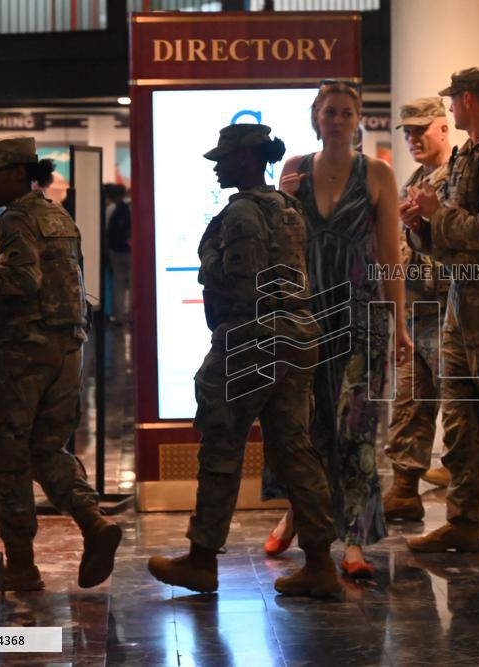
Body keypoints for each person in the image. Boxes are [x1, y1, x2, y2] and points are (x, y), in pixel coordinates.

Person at [147, 124, 341, 597]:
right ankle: (320, 563)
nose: (217, 167)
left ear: (248, 160)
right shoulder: (289, 207)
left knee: (222, 446)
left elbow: (238, 281)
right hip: (297, 335)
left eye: (224, 158)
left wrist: (206, 260)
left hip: (252, 339)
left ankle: (201, 560)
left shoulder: (241, 213)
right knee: (295, 451)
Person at [0, 135, 121, 591]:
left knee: (5, 459)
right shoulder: (57, 216)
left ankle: (22, 566)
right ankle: (94, 522)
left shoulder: (15, 220)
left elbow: (21, 280)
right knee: (47, 450)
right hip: (65, 351)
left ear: (17, 174)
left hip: (19, 357)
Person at [264, 81, 412, 577]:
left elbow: (389, 256)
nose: (338, 120)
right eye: (330, 112)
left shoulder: (378, 174)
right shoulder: (294, 170)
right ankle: (299, 513)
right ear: (316, 117)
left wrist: (399, 324)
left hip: (361, 316)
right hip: (306, 317)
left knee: (358, 430)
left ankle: (353, 538)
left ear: (357, 120)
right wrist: (282, 203)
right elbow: (279, 246)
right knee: (307, 427)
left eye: (347, 113)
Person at [401, 67, 479, 552]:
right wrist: (420, 227)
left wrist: (436, 215)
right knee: (459, 418)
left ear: (468, 99)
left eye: (453, 100)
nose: (449, 107)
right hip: (459, 303)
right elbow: (446, 241)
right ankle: (463, 521)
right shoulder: (469, 154)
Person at [104, 183, 132, 323]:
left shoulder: (111, 209)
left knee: (118, 285)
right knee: (132, 285)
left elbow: (106, 230)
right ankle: (131, 315)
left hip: (115, 252)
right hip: (131, 252)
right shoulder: (131, 207)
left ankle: (119, 316)